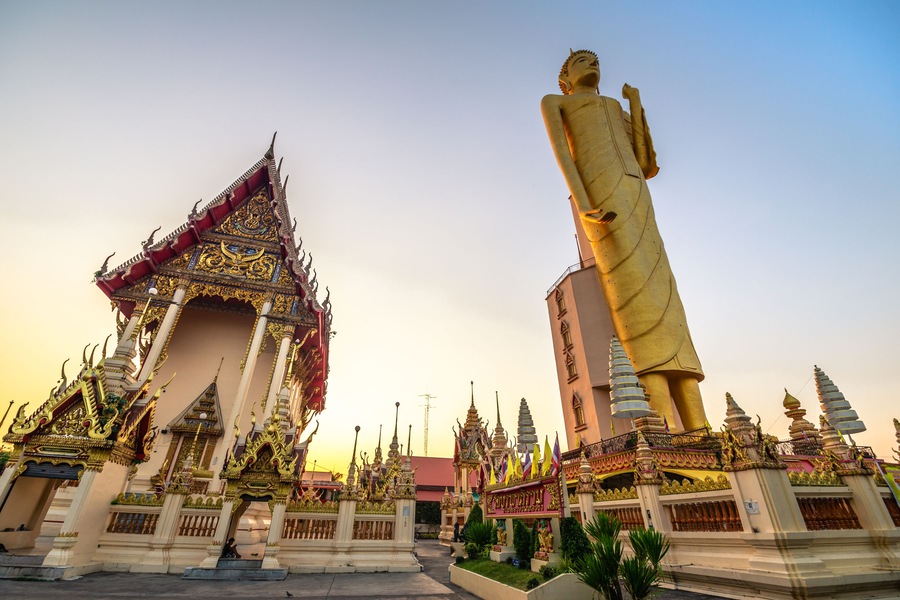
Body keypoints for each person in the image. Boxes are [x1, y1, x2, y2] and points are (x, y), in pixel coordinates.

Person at [542, 49, 707, 430]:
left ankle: (700, 427)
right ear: (565, 79)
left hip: (635, 196)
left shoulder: (616, 106)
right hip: (603, 201)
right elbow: (565, 158)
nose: (592, 66)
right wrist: (585, 204)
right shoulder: (555, 103)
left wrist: (636, 104)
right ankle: (663, 424)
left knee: (664, 293)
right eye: (582, 62)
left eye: (595, 61)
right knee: (632, 300)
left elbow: (648, 163)